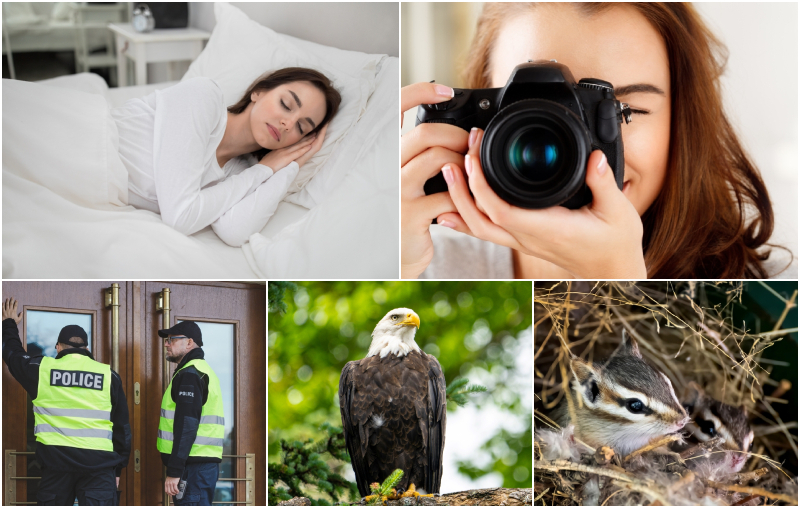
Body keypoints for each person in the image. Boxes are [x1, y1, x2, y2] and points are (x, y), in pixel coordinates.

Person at [401, 2, 780, 279]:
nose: (578, 149)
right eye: (532, 111)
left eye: (622, 110)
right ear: (479, 118)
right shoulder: (426, 265)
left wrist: (617, 279)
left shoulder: (770, 288)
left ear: (683, 121)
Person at [111, 67, 341, 247]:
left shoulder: (241, 173)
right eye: (286, 104)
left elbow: (235, 231)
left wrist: (288, 166)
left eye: (301, 127)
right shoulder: (203, 96)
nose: (288, 124)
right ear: (258, 92)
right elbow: (180, 218)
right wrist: (263, 170)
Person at [1, 298, 131, 506]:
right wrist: (117, 469)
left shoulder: (42, 369)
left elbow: (12, 355)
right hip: (100, 469)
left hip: (56, 467)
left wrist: (9, 323)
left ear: (58, 347)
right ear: (87, 349)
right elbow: (122, 427)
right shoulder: (108, 375)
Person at [156, 321, 224, 506]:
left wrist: (174, 471)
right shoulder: (199, 371)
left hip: (192, 468)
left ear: (189, 343)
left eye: (172, 340)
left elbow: (187, 425)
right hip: (198, 467)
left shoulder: (190, 374)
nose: (167, 344)